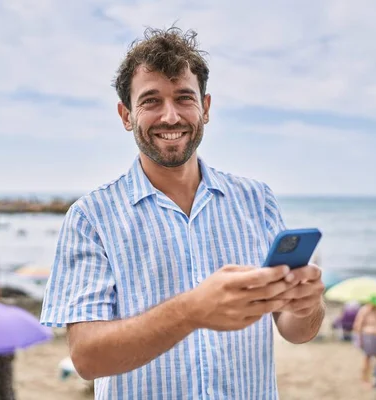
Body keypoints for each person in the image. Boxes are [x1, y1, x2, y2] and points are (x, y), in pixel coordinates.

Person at [40, 26, 326, 399]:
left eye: (184, 98)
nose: (171, 116)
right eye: (151, 101)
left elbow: (295, 331)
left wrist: (306, 307)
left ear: (205, 108)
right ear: (126, 115)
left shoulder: (258, 201)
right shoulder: (91, 217)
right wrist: (192, 310)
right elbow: (86, 358)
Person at [352, 294, 376, 385]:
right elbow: (358, 325)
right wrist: (359, 339)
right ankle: (365, 379)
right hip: (368, 336)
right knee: (367, 358)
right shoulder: (364, 310)